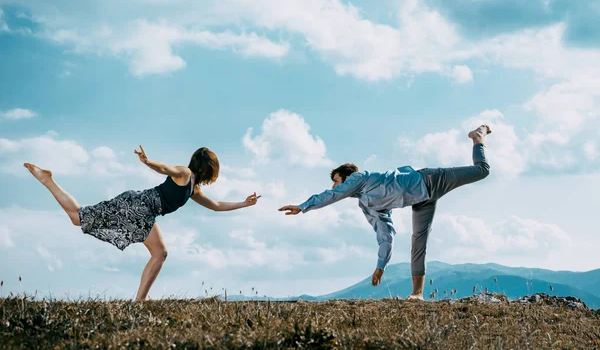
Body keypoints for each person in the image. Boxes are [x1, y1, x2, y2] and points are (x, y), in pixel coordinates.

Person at [279, 125, 491, 300]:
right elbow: (385, 234)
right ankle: (417, 294)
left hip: (431, 179)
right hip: (422, 201)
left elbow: (331, 196)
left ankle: (477, 137)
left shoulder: (360, 177)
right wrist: (381, 266)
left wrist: (303, 206)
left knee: (482, 171)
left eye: (336, 181)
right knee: (419, 240)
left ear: (347, 177)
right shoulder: (367, 205)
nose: (335, 187)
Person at [24, 146, 261, 301]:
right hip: (138, 206)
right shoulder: (185, 174)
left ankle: (139, 302)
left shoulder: (192, 189)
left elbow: (216, 205)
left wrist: (243, 203)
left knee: (159, 253)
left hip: (145, 210)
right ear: (210, 169)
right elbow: (165, 168)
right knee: (78, 218)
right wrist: (148, 162)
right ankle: (47, 180)